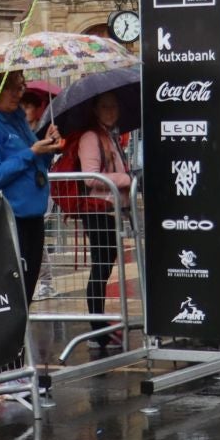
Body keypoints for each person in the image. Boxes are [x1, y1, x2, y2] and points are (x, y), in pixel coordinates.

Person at [0, 70, 64, 304]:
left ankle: (20, 339)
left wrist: (47, 148)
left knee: (26, 293)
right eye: (14, 88)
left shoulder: (17, 118)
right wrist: (31, 152)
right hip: (11, 221)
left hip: (33, 217)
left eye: (22, 87)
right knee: (14, 296)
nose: (20, 94)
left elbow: (36, 164)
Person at [66, 92, 132, 353]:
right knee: (101, 267)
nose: (111, 111)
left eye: (114, 106)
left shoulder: (109, 136)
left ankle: (100, 325)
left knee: (104, 267)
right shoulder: (91, 137)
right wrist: (128, 179)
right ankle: (97, 329)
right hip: (98, 210)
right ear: (95, 110)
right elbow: (91, 177)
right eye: (105, 107)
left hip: (110, 209)